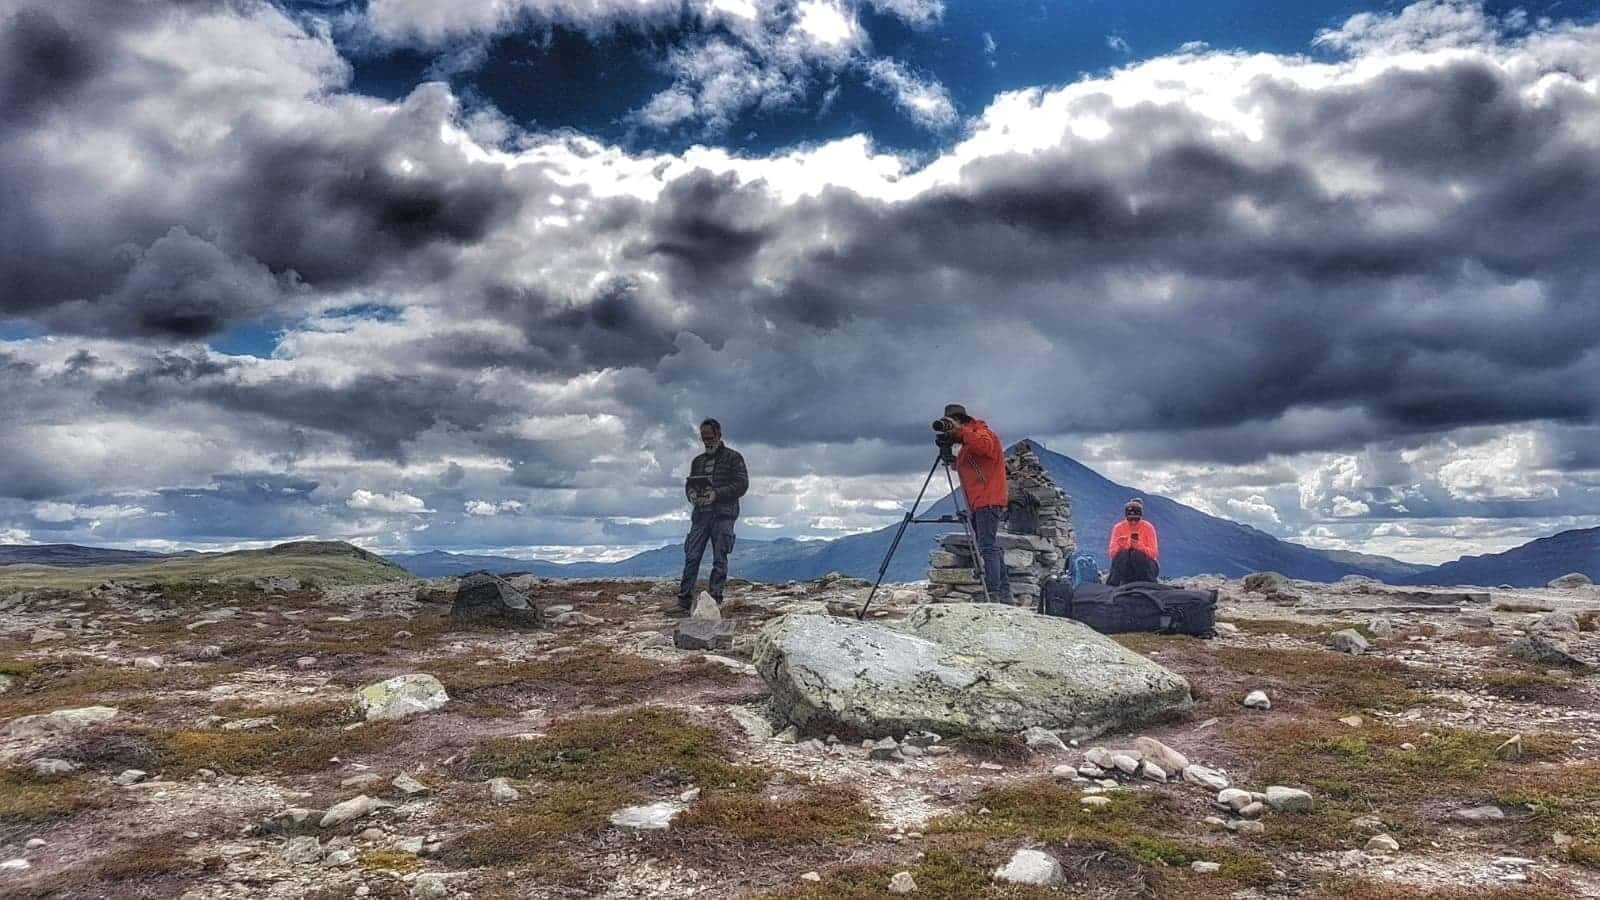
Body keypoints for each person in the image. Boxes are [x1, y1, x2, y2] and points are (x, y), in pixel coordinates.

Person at [939, 403, 1012, 604]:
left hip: (988, 499)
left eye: (950, 425)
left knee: (987, 546)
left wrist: (960, 431)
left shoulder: (981, 433)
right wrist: (951, 459)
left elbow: (984, 447)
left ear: (960, 422)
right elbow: (971, 465)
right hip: (979, 501)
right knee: (989, 546)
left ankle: (993, 593)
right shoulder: (968, 442)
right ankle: (1004, 593)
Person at [675, 418, 748, 612]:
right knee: (692, 556)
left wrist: (717, 494)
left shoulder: (734, 458)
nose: (707, 441)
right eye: (704, 438)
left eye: (710, 437)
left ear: (718, 434)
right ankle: (683, 602)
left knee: (719, 558)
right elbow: (690, 484)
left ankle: (714, 601)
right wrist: (692, 494)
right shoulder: (698, 461)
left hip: (723, 515)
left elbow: (742, 484)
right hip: (701, 515)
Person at [1106, 497, 1160, 586]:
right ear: (1126, 517)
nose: (1133, 522)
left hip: (1147, 566)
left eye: (1136, 519)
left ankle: (1149, 584)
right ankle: (1112, 584)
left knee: (1136, 554)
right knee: (1123, 554)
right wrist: (1121, 546)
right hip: (1126, 566)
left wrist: (1139, 546)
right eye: (1130, 519)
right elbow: (1112, 555)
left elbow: (1154, 554)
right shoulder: (1118, 528)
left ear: (1141, 517)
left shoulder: (1148, 527)